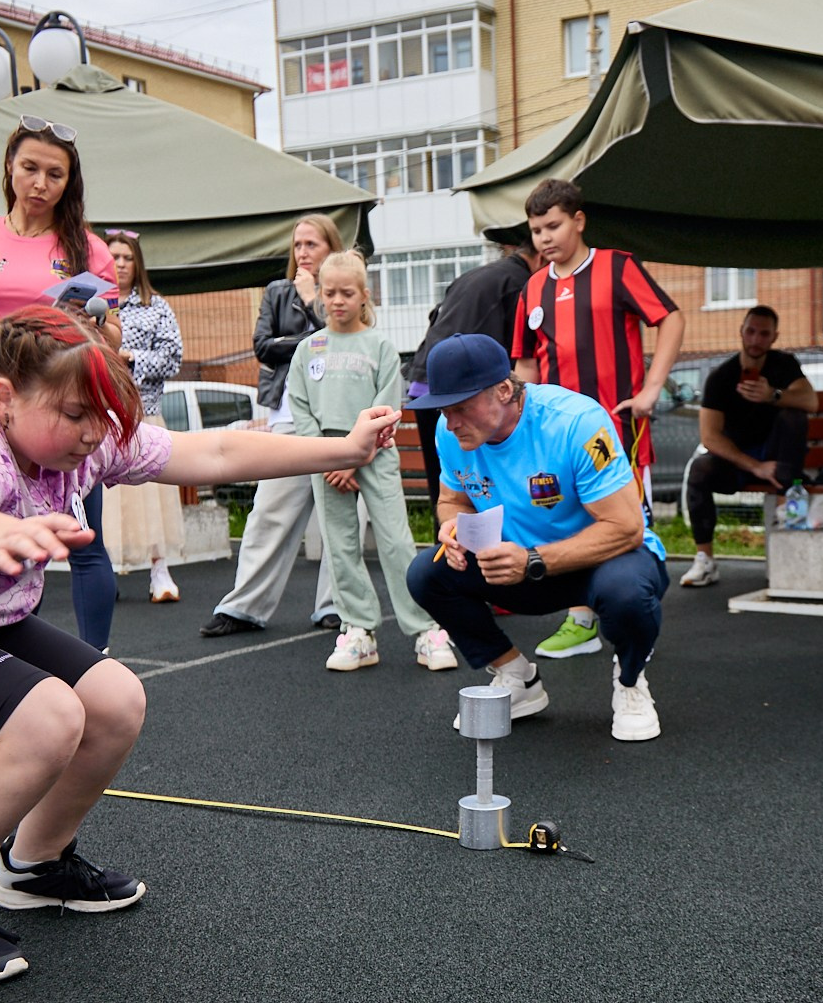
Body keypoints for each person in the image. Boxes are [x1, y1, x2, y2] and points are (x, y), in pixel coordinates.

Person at [0, 306, 398, 986]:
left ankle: (34, 866)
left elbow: (209, 452)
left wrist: (345, 447)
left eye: (101, 415)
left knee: (115, 699)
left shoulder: (81, 434)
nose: (94, 432)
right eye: (75, 413)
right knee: (48, 717)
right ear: (4, 397)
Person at [405, 334, 668, 742]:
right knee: (427, 573)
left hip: (599, 564)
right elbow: (452, 499)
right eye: (443, 409)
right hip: (519, 566)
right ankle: (516, 677)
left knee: (627, 592)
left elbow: (626, 527)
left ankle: (631, 683)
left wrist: (531, 558)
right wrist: (452, 528)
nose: (450, 420)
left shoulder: (576, 423)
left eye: (461, 407)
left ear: (505, 390)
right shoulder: (449, 431)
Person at [0, 114, 121, 650]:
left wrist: (97, 324)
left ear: (70, 182)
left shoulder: (87, 248)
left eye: (55, 174)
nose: (41, 183)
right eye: (30, 168)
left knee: (80, 540)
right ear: (9, 167)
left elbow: (111, 340)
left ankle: (96, 662)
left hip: (59, 407)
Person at [512, 178, 683, 661]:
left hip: (616, 430)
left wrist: (652, 388)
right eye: (536, 229)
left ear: (578, 220)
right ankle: (581, 620)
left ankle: (634, 624)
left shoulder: (617, 268)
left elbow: (670, 317)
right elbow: (524, 365)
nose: (544, 238)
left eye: (553, 225)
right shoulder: (533, 288)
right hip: (555, 439)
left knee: (629, 527)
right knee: (566, 522)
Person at [289, 250, 457, 672]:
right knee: (341, 546)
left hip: (375, 455)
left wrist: (355, 453)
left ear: (365, 295)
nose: (338, 300)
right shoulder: (308, 348)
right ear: (320, 296)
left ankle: (425, 630)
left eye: (348, 292)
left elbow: (387, 405)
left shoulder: (380, 346)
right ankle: (358, 630)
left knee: (396, 541)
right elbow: (301, 407)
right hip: (326, 459)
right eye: (329, 293)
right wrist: (331, 454)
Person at [200, 214, 343, 638]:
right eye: (297, 245)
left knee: (339, 518)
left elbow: (343, 340)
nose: (302, 253)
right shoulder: (277, 292)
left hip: (336, 416)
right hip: (289, 417)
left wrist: (315, 302)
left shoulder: (342, 292)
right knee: (269, 511)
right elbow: (263, 347)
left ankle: (336, 606)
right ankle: (243, 607)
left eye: (311, 244)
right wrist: (308, 334)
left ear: (331, 249)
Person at [678, 305, 815, 587]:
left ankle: (784, 513)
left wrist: (773, 395)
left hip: (779, 460)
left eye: (763, 334)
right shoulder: (721, 377)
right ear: (741, 332)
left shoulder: (785, 364)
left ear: (774, 337)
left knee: (794, 416)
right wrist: (755, 466)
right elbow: (710, 436)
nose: (755, 340)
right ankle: (705, 560)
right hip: (740, 461)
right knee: (699, 470)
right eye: (750, 331)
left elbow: (810, 402)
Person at [414, 242, 542, 502]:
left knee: (445, 485)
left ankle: (453, 536)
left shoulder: (474, 275)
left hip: (425, 381)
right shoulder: (522, 283)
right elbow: (519, 347)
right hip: (465, 390)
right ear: (540, 258)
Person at [100, 228, 187, 603]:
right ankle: (104, 572)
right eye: (113, 257)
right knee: (104, 506)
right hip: (101, 417)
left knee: (154, 497)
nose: (119, 264)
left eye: (127, 258)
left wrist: (133, 358)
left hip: (144, 415)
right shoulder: (92, 305)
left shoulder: (156, 306)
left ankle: (159, 570)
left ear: (138, 264)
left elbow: (173, 356)